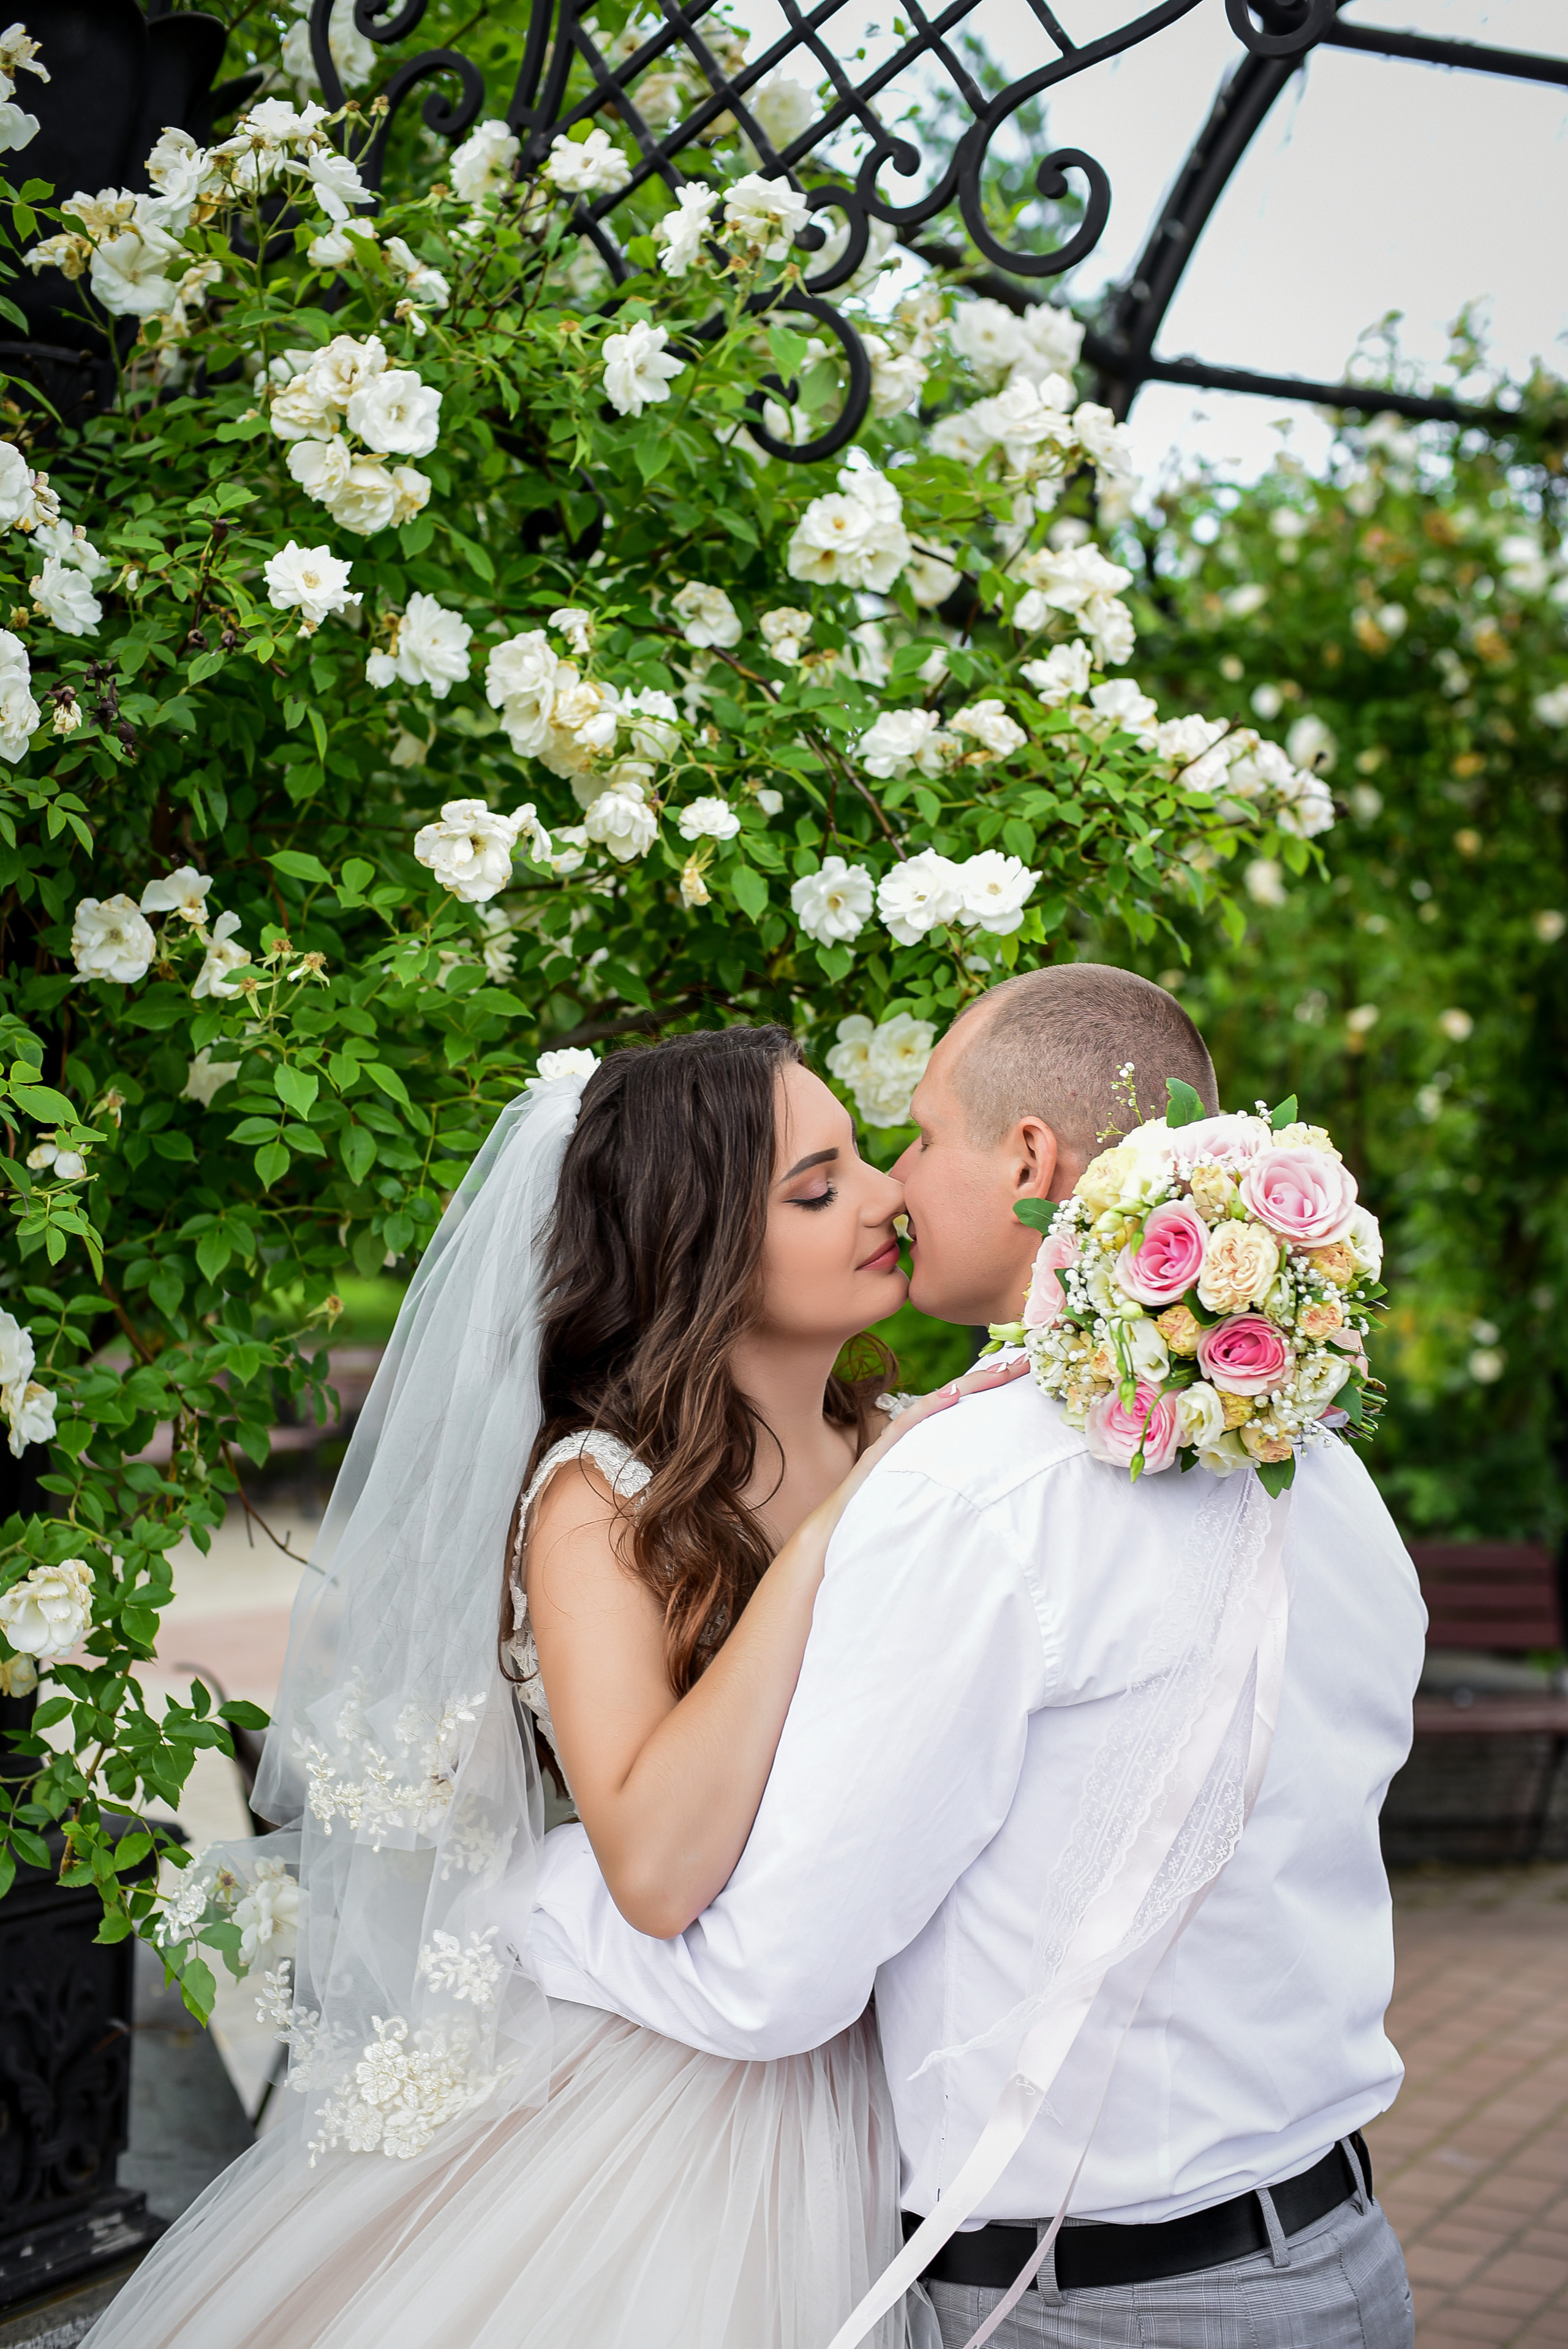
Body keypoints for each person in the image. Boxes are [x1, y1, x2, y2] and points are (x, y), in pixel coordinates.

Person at [521, 964, 1428, 2349]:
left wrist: (519, 1901)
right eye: (823, 1179)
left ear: (1024, 1159)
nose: (891, 1187)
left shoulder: (963, 1491)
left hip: (1090, 2300)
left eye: (912, 1138)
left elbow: (767, 1974)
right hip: (1339, 2254)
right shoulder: (1322, 1471)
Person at [86, 1024, 1020, 2349]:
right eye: (815, 1188)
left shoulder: (906, 1441)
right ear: (695, 1248)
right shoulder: (597, 1499)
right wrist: (827, 1539)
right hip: (684, 2106)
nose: (881, 1199)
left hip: (901, 2061)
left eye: (866, 1161)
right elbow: (651, 1869)